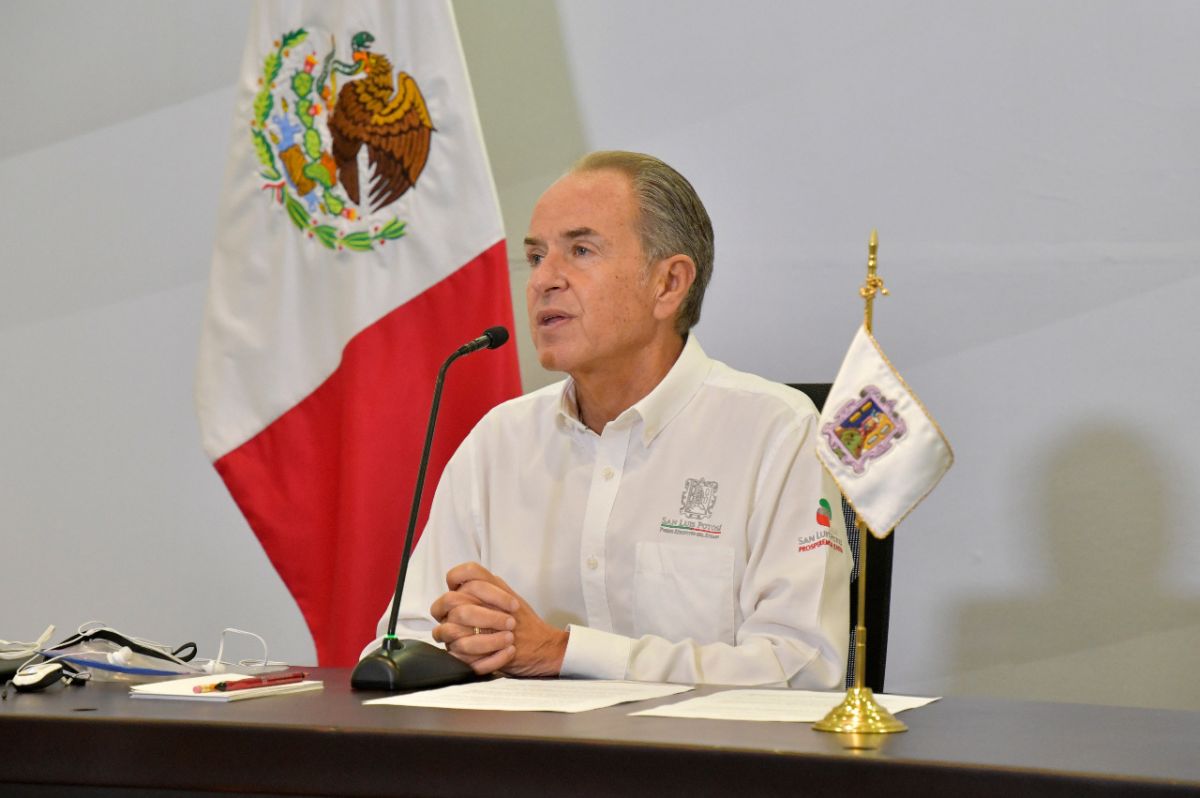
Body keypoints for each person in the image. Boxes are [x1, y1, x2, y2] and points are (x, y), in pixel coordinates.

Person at [364, 151, 850, 688]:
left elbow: (804, 667)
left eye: (580, 250)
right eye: (535, 255)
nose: (543, 280)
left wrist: (564, 652)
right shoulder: (499, 440)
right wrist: (461, 640)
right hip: (521, 743)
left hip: (695, 744)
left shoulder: (775, 431)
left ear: (668, 284)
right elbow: (405, 640)